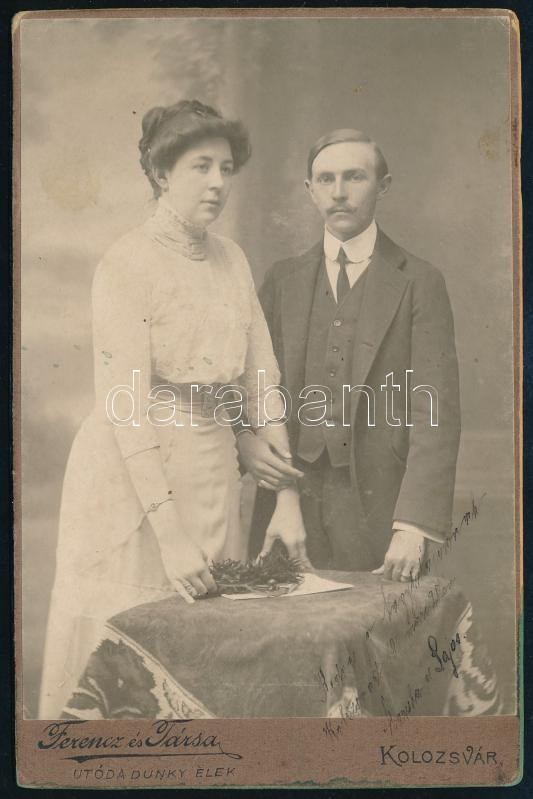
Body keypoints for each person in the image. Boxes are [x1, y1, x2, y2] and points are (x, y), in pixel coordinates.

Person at [39, 100, 306, 719]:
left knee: (204, 657)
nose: (218, 183)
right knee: (125, 659)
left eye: (226, 168)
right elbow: (125, 407)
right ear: (161, 174)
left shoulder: (233, 259)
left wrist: (287, 500)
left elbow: (262, 385)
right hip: (133, 479)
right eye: (200, 167)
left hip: (211, 471)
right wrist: (170, 535)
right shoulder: (127, 263)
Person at [244, 128, 461, 583]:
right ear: (310, 190)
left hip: (380, 510)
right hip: (289, 507)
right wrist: (247, 445)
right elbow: (251, 385)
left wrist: (414, 525)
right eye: (325, 179)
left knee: (375, 626)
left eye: (354, 177)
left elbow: (435, 411)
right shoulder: (282, 280)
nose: (338, 192)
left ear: (383, 185)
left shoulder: (420, 281)